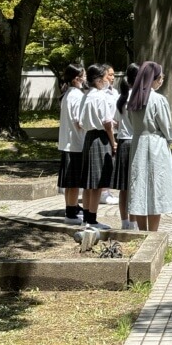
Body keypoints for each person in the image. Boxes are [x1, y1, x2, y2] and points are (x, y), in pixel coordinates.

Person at [127, 61, 172, 231]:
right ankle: (153, 232)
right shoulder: (158, 99)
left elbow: (130, 122)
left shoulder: (133, 98)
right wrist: (170, 139)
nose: (161, 80)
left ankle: (142, 231)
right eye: (160, 77)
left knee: (140, 188)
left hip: (138, 143)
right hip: (155, 144)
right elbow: (165, 125)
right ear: (154, 78)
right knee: (155, 188)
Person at [78, 64, 116, 229]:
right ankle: (92, 220)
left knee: (88, 183)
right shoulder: (100, 96)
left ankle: (87, 217)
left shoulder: (86, 95)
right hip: (100, 138)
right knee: (98, 183)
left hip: (88, 138)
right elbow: (107, 123)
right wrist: (113, 141)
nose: (107, 80)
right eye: (105, 77)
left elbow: (80, 121)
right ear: (99, 80)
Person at [57, 64, 86, 225]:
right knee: (74, 181)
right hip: (76, 144)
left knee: (70, 181)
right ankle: (70, 212)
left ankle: (73, 207)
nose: (86, 78)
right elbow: (80, 122)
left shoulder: (67, 94)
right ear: (77, 78)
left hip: (68, 143)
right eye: (84, 75)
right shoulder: (77, 96)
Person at [112, 63, 139, 230]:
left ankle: (124, 222)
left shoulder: (122, 97)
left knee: (123, 187)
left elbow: (115, 122)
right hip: (135, 142)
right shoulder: (138, 97)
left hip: (123, 141)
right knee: (134, 185)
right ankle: (134, 222)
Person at [99, 63, 120, 206]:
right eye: (110, 75)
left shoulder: (115, 92)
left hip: (115, 130)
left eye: (113, 75)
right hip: (105, 130)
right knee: (105, 162)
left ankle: (106, 191)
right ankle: (103, 192)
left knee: (111, 161)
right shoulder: (101, 93)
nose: (112, 78)